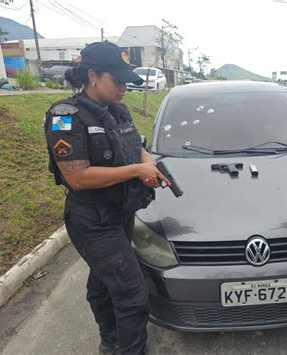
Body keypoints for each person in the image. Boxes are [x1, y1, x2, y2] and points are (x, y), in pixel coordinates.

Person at [44, 41, 171, 355]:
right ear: (92, 76)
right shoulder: (65, 116)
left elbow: (134, 143)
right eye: (117, 80)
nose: (124, 87)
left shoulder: (118, 109)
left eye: (127, 81)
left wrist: (148, 164)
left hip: (121, 213)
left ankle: (111, 340)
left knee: (103, 283)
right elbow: (77, 176)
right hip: (92, 221)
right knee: (133, 295)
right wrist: (135, 170)